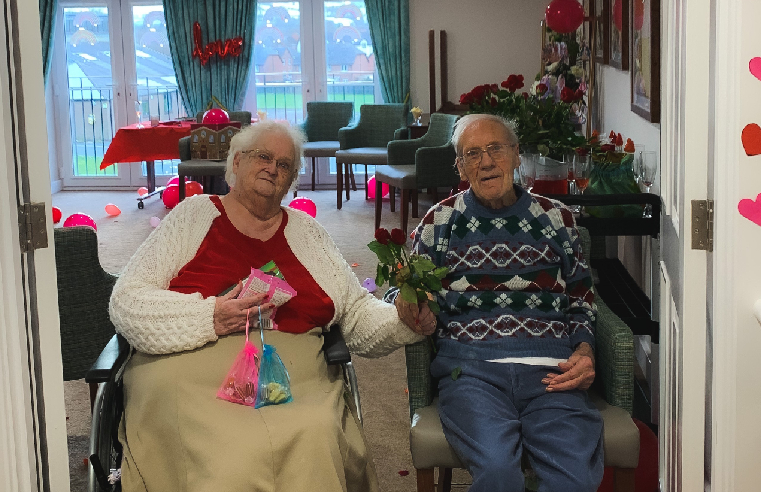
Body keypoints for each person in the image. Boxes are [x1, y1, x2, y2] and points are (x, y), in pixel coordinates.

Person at [109, 120, 432, 492]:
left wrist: (402, 321)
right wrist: (210, 315)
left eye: (284, 165)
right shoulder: (193, 215)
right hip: (189, 372)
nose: (272, 168)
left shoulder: (308, 233)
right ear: (236, 162)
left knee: (314, 436)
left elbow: (356, 315)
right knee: (228, 459)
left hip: (292, 383)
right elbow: (127, 299)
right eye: (263, 156)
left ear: (292, 179)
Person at [394, 114, 604, 492]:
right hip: (472, 371)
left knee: (574, 477)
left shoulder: (557, 218)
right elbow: (404, 288)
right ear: (459, 167)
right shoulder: (438, 222)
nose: (486, 162)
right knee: (497, 472)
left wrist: (585, 351)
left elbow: (583, 299)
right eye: (472, 153)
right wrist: (410, 303)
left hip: (551, 371)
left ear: (517, 155)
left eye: (496, 149)